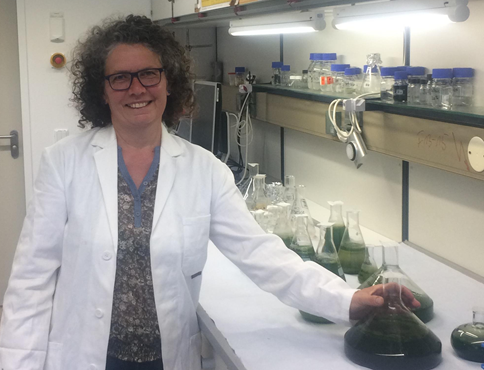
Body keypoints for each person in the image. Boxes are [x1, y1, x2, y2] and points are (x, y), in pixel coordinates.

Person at [0, 15, 419, 370]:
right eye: (120, 78)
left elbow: (263, 255)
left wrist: (348, 300)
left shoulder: (205, 170)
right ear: (102, 89)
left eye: (149, 74)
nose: (137, 88)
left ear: (169, 82)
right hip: (83, 356)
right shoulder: (64, 163)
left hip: (168, 357)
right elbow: (31, 282)